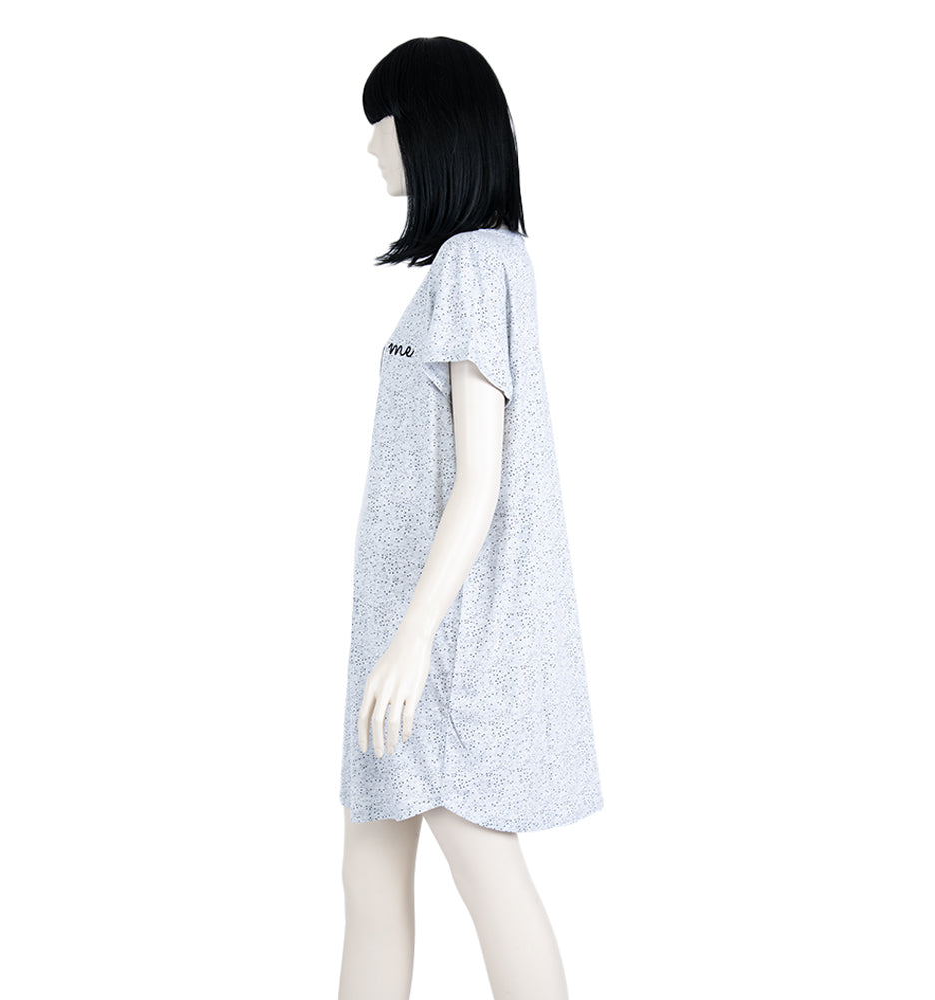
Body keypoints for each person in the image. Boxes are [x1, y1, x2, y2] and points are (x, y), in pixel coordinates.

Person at [338, 37, 604, 1000]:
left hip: (440, 646)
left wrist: (415, 642)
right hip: (401, 640)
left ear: (430, 126)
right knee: (369, 880)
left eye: (382, 120)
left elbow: (481, 480)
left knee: (486, 872)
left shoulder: (475, 263)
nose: (371, 144)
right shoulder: (478, 264)